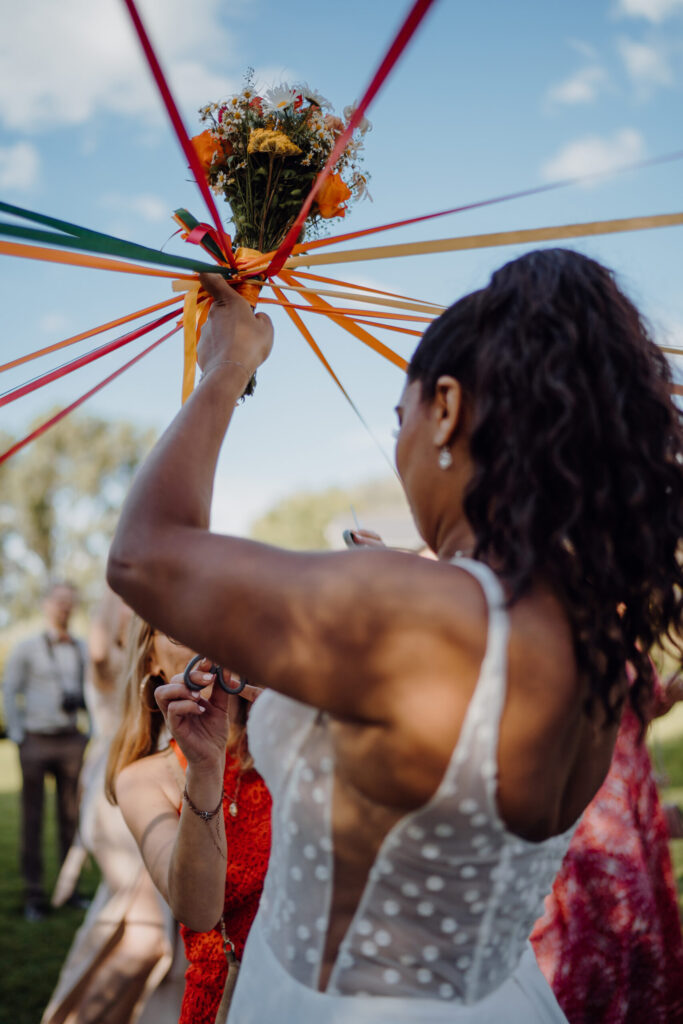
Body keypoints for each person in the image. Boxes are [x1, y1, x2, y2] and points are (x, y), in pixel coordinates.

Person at [107, 248, 683, 1023]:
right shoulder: (587, 644)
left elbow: (144, 555)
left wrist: (225, 367)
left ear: (445, 408)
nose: (401, 444)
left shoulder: (407, 606)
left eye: (399, 419)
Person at [107, 617, 271, 1024]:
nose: (206, 641)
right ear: (151, 661)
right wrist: (204, 766)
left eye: (215, 621)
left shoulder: (291, 741)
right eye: (180, 632)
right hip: (232, 1003)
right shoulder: (144, 780)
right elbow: (198, 911)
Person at [42, 592, 186, 1024]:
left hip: (154, 787)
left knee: (158, 937)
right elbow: (102, 652)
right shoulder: (118, 665)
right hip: (126, 800)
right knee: (145, 934)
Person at [530, 669, 683, 1022]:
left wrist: (662, 697)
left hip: (625, 815)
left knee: (638, 952)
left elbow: (621, 712)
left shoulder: (617, 635)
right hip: (592, 830)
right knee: (603, 950)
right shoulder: (556, 638)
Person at [3, 579, 89, 922]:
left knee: (71, 818)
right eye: (59, 600)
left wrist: (90, 731)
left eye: (70, 601)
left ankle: (70, 890)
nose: (65, 607)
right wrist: (18, 735)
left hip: (71, 740)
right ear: (46, 604)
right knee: (32, 819)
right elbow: (10, 690)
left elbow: (93, 691)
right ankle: (34, 895)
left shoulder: (82, 648)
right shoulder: (27, 647)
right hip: (35, 740)